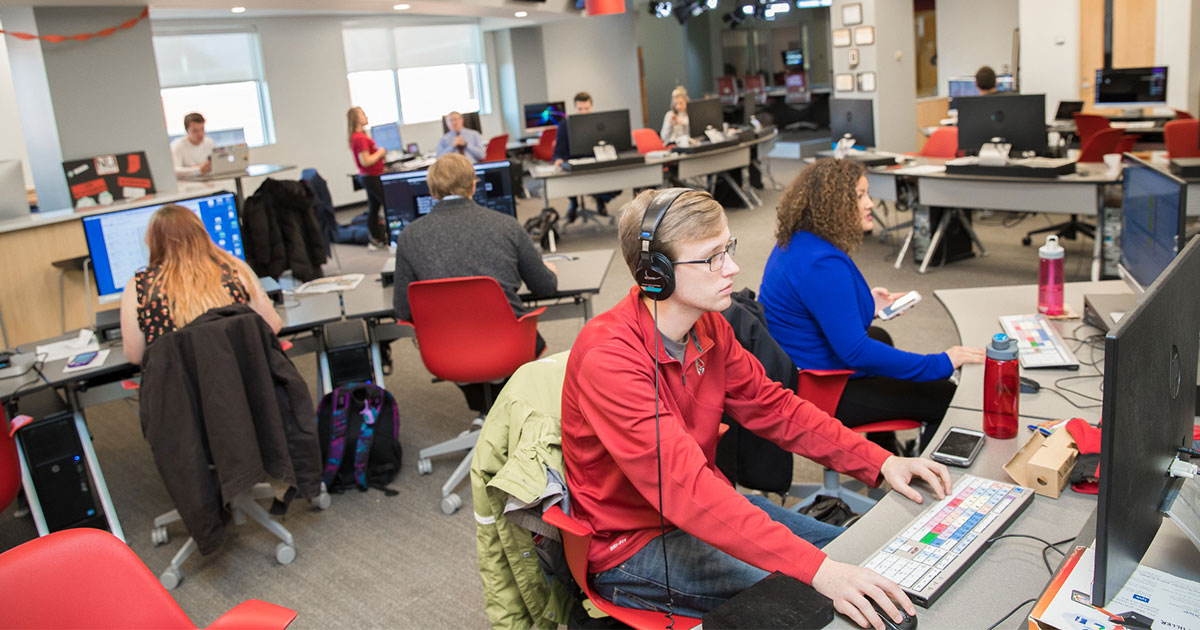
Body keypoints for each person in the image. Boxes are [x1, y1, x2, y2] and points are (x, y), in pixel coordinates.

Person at [561, 186, 953, 629]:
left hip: (706, 506)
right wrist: (819, 572)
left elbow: (775, 408)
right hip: (634, 546)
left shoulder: (708, 325)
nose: (733, 268)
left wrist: (879, 461)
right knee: (825, 595)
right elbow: (686, 489)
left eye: (728, 247)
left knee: (860, 559)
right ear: (657, 274)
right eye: (712, 258)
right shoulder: (610, 359)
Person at [758, 159, 985, 453]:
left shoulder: (800, 242)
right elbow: (855, 351)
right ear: (833, 204)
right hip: (817, 392)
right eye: (860, 196)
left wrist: (868, 304)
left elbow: (817, 305)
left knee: (880, 336)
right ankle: (926, 478)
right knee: (945, 393)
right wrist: (939, 362)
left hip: (794, 368)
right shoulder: (822, 262)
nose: (871, 203)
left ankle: (886, 451)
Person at [392, 153, 558, 409]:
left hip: (445, 351)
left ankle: (487, 414)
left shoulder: (409, 236)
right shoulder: (507, 226)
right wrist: (548, 269)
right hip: (509, 345)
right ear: (473, 185)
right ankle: (504, 413)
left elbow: (403, 309)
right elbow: (545, 287)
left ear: (432, 192)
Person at [120, 204, 282, 365]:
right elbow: (271, 326)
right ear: (201, 233)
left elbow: (135, 356)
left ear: (152, 242)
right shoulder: (234, 270)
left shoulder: (140, 287)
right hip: (242, 383)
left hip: (177, 388)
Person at [552, 91, 614, 222]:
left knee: (616, 180)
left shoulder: (600, 124)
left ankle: (600, 198)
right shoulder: (565, 125)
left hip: (597, 164)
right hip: (573, 166)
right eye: (580, 109)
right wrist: (558, 160)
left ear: (591, 107)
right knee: (569, 179)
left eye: (586, 108)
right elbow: (559, 150)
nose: (583, 112)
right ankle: (574, 203)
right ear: (575, 108)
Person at [347, 106, 390, 249]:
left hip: (368, 176)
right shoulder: (360, 138)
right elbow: (365, 161)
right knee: (388, 205)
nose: (366, 116)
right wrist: (381, 152)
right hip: (371, 176)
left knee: (374, 207)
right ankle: (387, 236)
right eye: (362, 114)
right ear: (356, 119)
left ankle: (377, 237)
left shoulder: (358, 137)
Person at [170, 112, 215, 179]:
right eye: (195, 131)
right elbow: (175, 171)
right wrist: (199, 170)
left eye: (202, 129)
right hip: (188, 185)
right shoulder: (177, 146)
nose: (200, 134)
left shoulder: (209, 143)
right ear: (187, 131)